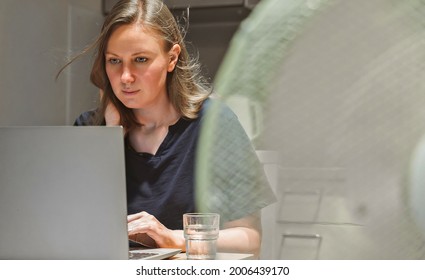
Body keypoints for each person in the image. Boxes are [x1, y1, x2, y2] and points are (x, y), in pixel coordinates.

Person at [67, 0, 275, 258]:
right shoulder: (89, 129)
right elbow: (73, 230)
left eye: (140, 59)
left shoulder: (214, 125)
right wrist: (109, 135)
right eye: (114, 61)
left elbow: (249, 238)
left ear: (172, 58)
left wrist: (171, 238)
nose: (125, 77)